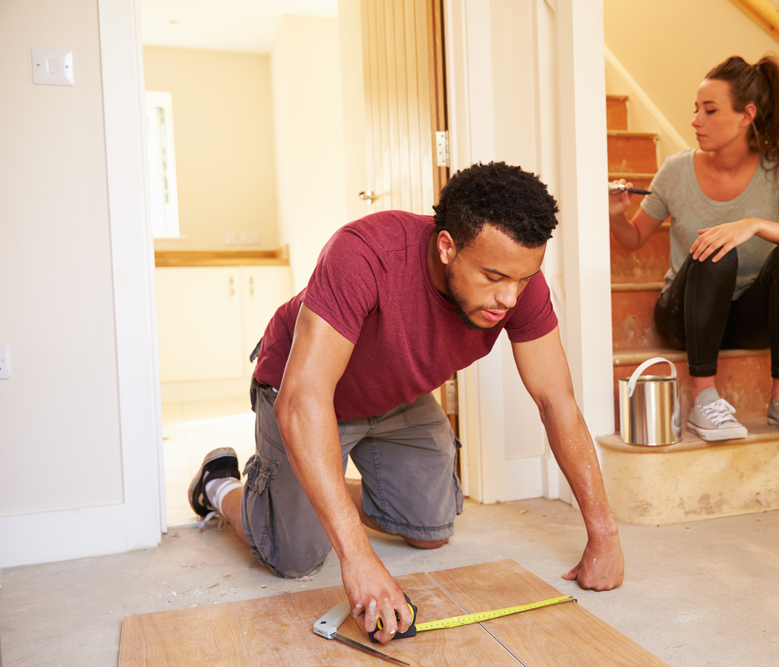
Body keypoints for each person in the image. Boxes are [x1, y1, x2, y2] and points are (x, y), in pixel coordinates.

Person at [189, 161, 625, 644]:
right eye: (494, 275)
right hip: (304, 394)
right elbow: (303, 398)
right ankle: (221, 486)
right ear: (446, 247)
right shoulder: (365, 253)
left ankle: (318, 491)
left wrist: (603, 533)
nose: (508, 297)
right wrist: (358, 557)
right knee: (292, 558)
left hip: (395, 399)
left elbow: (556, 401)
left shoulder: (520, 284)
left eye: (523, 279)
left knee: (430, 528)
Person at [608, 55, 779, 444]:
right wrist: (615, 216)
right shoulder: (675, 170)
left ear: (746, 115)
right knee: (716, 248)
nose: (696, 120)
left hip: (747, 317)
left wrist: (755, 224)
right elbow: (632, 240)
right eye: (696, 110)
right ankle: (703, 397)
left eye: (710, 110)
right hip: (685, 316)